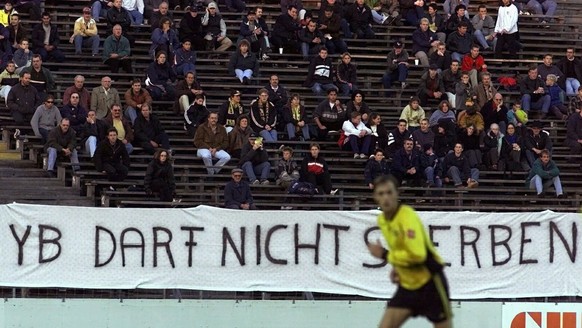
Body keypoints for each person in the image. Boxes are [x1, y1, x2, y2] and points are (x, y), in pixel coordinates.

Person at [368, 175, 451, 328]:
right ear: (375, 197)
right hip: (407, 286)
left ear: (396, 194)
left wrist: (385, 255)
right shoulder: (382, 220)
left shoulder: (407, 215)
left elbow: (417, 255)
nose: (386, 197)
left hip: (430, 282)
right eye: (381, 193)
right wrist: (397, 268)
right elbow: (400, 247)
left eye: (389, 192)